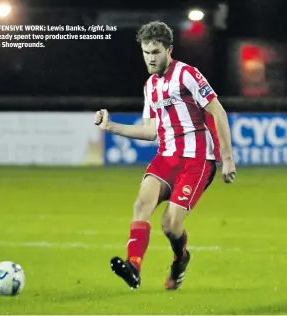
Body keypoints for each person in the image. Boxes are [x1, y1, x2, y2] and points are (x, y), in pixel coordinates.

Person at [94, 21, 236, 290]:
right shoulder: (150, 87)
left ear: (169, 50)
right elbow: (150, 131)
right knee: (141, 203)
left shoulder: (188, 75)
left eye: (156, 52)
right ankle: (133, 267)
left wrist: (227, 158)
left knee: (170, 225)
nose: (150, 58)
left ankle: (180, 258)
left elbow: (218, 112)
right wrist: (110, 126)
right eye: (146, 52)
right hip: (167, 156)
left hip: (197, 160)